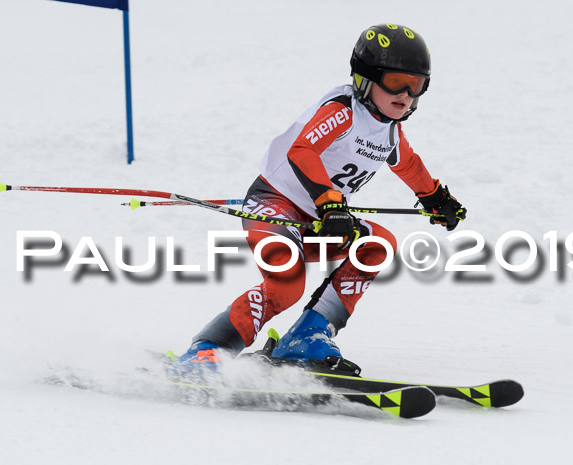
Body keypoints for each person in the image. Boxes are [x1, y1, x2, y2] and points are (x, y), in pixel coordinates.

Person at [172, 23, 466, 375]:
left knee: (377, 244)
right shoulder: (343, 110)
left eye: (416, 85)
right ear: (365, 78)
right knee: (286, 283)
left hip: (322, 219)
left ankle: (308, 335)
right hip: (275, 206)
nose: (405, 94)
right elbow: (303, 150)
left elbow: (409, 165)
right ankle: (208, 349)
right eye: (395, 82)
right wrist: (329, 201)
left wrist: (436, 198)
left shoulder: (389, 129)